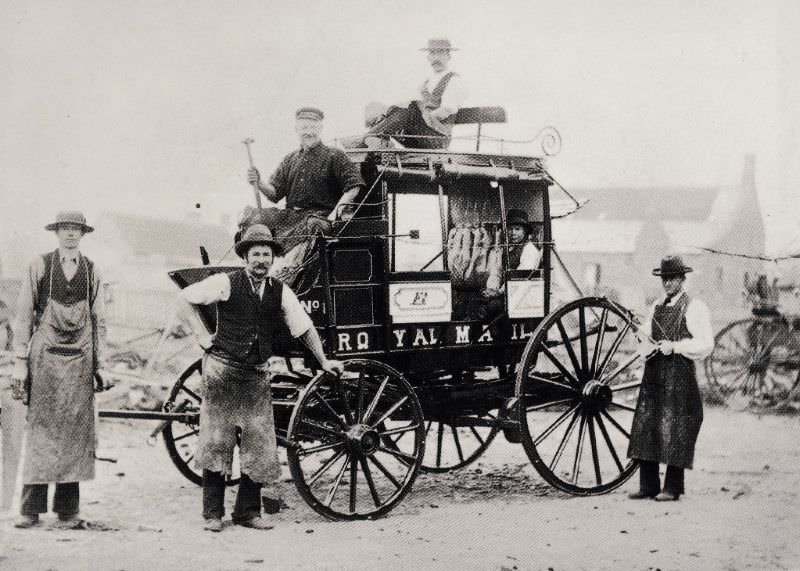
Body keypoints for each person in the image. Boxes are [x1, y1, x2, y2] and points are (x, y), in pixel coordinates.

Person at [179, 224, 344, 532]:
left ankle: (247, 513)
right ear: (245, 256)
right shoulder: (225, 283)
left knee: (259, 446)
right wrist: (202, 336)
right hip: (223, 372)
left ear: (273, 258)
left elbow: (303, 327)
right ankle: (213, 514)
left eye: (267, 254)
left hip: (256, 375)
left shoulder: (280, 291)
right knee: (216, 442)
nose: (261, 260)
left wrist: (322, 361)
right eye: (255, 254)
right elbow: (185, 299)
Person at [10, 211, 107, 529]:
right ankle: (30, 509)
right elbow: (23, 316)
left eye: (75, 230)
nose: (70, 235)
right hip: (45, 362)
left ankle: (67, 511)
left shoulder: (92, 271)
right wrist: (20, 365)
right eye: (65, 229)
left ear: (82, 234)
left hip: (79, 361)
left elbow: (98, 321)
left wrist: (99, 364)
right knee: (41, 432)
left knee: (74, 435)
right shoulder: (40, 265)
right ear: (57, 233)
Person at [627, 255, 714, 501]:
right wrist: (641, 338)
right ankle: (648, 485)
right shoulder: (656, 306)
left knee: (678, 428)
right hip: (655, 375)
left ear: (682, 279)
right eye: (664, 279)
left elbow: (706, 343)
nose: (667, 283)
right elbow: (645, 337)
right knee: (647, 425)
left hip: (680, 377)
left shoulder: (695, 307)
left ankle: (672, 488)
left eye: (672, 279)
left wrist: (674, 346)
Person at [244, 107, 364, 282]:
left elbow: (354, 186)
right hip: (292, 216)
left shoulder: (335, 156)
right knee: (254, 216)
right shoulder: (290, 159)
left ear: (320, 129)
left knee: (311, 224)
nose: (308, 132)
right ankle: (252, 271)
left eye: (313, 128)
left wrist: (333, 215)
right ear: (297, 130)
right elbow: (275, 193)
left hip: (319, 217)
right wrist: (259, 181)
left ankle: (281, 279)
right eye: (304, 128)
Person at [359, 38, 468, 149]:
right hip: (418, 137)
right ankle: (374, 141)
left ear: (448, 56)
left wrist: (416, 118)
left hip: (438, 140)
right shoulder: (427, 82)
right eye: (433, 53)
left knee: (411, 107)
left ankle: (363, 142)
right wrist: (402, 119)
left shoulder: (454, 80)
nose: (436, 58)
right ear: (428, 57)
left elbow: (446, 110)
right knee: (380, 110)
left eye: (440, 53)